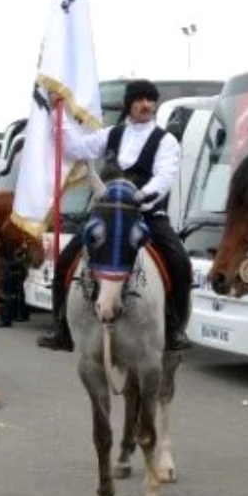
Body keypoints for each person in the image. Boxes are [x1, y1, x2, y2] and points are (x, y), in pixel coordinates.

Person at [52, 79, 193, 352]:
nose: (146, 105)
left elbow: (164, 178)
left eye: (150, 100)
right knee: (65, 259)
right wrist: (58, 117)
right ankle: (61, 329)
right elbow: (76, 148)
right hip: (107, 216)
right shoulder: (111, 134)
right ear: (130, 104)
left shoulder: (166, 141)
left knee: (180, 261)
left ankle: (175, 328)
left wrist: (139, 196)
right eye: (139, 100)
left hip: (146, 215)